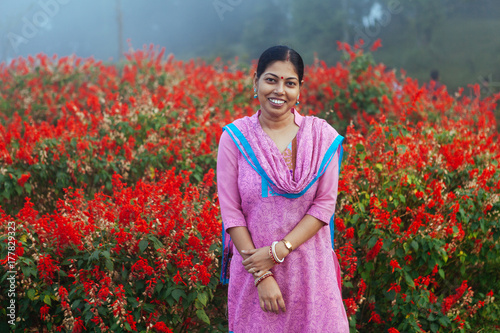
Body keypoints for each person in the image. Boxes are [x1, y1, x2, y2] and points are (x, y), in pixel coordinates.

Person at [217, 45, 349, 332]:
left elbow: (324, 205)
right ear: (256, 82)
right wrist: (263, 275)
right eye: (271, 79)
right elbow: (231, 212)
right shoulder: (235, 138)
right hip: (255, 277)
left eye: (290, 83)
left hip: (311, 275)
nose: (279, 90)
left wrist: (278, 250)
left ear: (300, 89)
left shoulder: (321, 137)